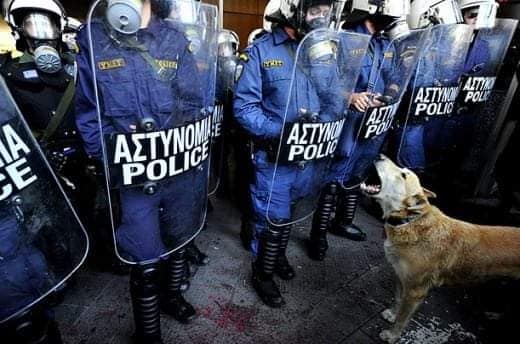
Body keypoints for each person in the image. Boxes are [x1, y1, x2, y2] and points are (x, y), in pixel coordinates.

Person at [75, 0, 215, 342]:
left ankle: (172, 297)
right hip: (133, 176)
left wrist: (185, 139)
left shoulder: (174, 39)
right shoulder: (94, 39)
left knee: (180, 240)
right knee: (144, 256)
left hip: (178, 169)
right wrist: (109, 160)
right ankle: (147, 331)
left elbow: (194, 103)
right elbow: (89, 115)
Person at [234, 0, 340, 308]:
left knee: (291, 211)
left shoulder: (324, 50)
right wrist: (281, 131)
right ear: (293, 9)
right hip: (275, 157)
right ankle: (262, 272)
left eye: (325, 10)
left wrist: (327, 117)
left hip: (309, 156)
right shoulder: (263, 51)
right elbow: (244, 108)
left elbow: (333, 97)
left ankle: (277, 256)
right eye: (314, 10)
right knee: (272, 219)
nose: (321, 17)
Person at [307, 0, 413, 261]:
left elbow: (393, 78)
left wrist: (390, 94)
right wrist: (350, 96)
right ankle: (317, 236)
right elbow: (321, 80)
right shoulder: (345, 38)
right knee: (332, 180)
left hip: (372, 121)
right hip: (346, 121)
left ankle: (342, 222)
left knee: (358, 173)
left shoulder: (382, 43)